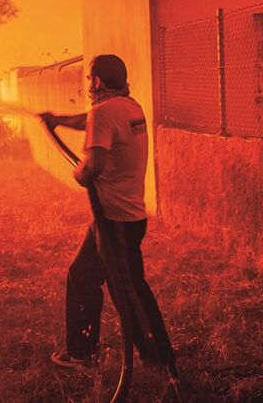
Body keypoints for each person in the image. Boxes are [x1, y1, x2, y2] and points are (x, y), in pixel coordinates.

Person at [41, 54, 177, 376]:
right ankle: (83, 352)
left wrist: (78, 173)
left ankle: (159, 358)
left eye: (89, 79)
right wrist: (57, 119)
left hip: (114, 219)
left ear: (98, 81)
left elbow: (93, 167)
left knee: (128, 289)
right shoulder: (130, 107)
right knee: (84, 276)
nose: (88, 85)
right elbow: (91, 121)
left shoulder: (104, 112)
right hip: (126, 217)